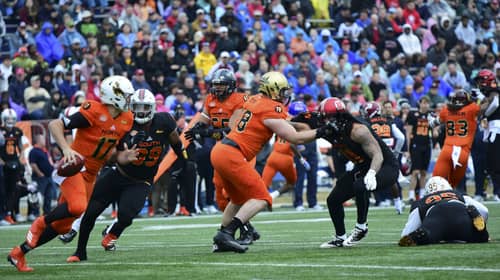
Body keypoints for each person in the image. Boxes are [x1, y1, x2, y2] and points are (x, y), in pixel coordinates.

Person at [7, 75, 135, 272]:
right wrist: (66, 149)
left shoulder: (127, 119)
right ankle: (39, 222)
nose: (129, 100)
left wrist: (126, 156)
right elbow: (54, 125)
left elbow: (113, 155)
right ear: (114, 96)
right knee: (77, 207)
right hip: (74, 166)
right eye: (126, 96)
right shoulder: (93, 110)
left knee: (63, 226)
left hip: (92, 174)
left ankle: (19, 253)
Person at [67, 89, 187, 262]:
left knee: (126, 215)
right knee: (91, 212)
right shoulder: (125, 123)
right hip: (119, 172)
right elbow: (110, 154)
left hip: (141, 180)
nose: (140, 111)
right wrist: (128, 146)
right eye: (136, 107)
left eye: (145, 107)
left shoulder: (164, 121)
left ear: (152, 108)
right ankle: (80, 252)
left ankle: (113, 231)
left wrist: (182, 161)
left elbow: (176, 142)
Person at [208, 71, 322, 253]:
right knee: (263, 198)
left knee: (237, 199)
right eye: (283, 91)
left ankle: (222, 236)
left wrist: (297, 120)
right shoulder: (271, 108)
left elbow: (275, 120)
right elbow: (294, 137)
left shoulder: (255, 100)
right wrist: (321, 132)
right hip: (232, 153)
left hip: (221, 150)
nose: (285, 95)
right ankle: (227, 233)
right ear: (273, 90)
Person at [295, 97, 399, 248]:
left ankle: (361, 227)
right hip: (362, 166)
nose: (327, 121)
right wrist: (277, 125)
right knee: (333, 200)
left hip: (385, 166)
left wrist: (371, 173)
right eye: (326, 118)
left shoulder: (358, 130)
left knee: (360, 186)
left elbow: (378, 155)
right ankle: (340, 237)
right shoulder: (326, 127)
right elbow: (298, 135)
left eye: (331, 118)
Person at [185, 69, 260, 244]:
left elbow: (231, 131)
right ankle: (247, 228)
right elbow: (203, 119)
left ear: (231, 86)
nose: (218, 89)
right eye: (216, 85)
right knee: (220, 196)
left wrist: (206, 133)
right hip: (223, 153)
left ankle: (245, 231)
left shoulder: (240, 100)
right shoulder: (210, 100)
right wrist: (196, 128)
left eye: (221, 85)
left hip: (241, 149)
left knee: (239, 191)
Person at [399, 176, 489, 246]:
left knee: (428, 235)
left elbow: (406, 234)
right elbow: (484, 211)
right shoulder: (458, 194)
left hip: (436, 215)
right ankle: (480, 229)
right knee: (480, 237)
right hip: (460, 211)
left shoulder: (421, 202)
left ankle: (423, 234)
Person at [361, 102, 405, 214]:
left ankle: (372, 202)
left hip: (374, 154)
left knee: (368, 176)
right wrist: (395, 153)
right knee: (392, 180)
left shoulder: (367, 123)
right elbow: (401, 138)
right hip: (388, 153)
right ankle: (398, 203)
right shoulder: (389, 121)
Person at [261, 101, 310, 202]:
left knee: (263, 185)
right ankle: (273, 196)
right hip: (286, 158)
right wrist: (301, 158)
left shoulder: (283, 120)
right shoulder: (297, 125)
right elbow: (292, 144)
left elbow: (275, 135)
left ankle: (264, 204)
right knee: (291, 183)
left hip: (273, 155)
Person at [430, 90, 480, 187]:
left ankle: (432, 200)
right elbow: (484, 106)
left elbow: (433, 123)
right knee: (453, 185)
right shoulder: (471, 108)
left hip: (447, 149)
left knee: (435, 181)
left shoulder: (446, 110)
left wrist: (431, 119)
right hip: (463, 150)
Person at [474, 69, 500, 201]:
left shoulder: (493, 89)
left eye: (480, 80)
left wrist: (484, 114)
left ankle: (498, 191)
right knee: (487, 163)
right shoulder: (483, 93)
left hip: (495, 128)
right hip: (487, 128)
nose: (479, 83)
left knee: (495, 162)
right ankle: (488, 191)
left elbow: (495, 103)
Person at [406, 96, 437, 201]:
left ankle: (423, 195)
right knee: (415, 172)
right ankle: (411, 195)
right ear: (420, 103)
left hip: (427, 144)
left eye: (427, 103)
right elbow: (408, 132)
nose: (425, 105)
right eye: (424, 103)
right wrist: (407, 149)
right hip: (416, 145)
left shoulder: (431, 114)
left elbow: (435, 132)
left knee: (424, 172)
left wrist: (435, 127)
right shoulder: (413, 114)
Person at [0, 109, 25, 224]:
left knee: (12, 190)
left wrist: (21, 158)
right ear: (3, 119)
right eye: (8, 119)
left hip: (14, 162)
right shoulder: (1, 132)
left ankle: (9, 214)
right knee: (3, 190)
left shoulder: (17, 131)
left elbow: (20, 146)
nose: (10, 121)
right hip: (3, 163)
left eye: (12, 119)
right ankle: (3, 215)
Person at [28, 134, 55, 216]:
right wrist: (39, 173)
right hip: (39, 178)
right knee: (36, 196)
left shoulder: (44, 150)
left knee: (48, 195)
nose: (44, 140)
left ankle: (47, 212)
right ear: (38, 141)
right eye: (42, 139)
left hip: (48, 177)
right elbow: (33, 164)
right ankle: (34, 213)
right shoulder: (34, 151)